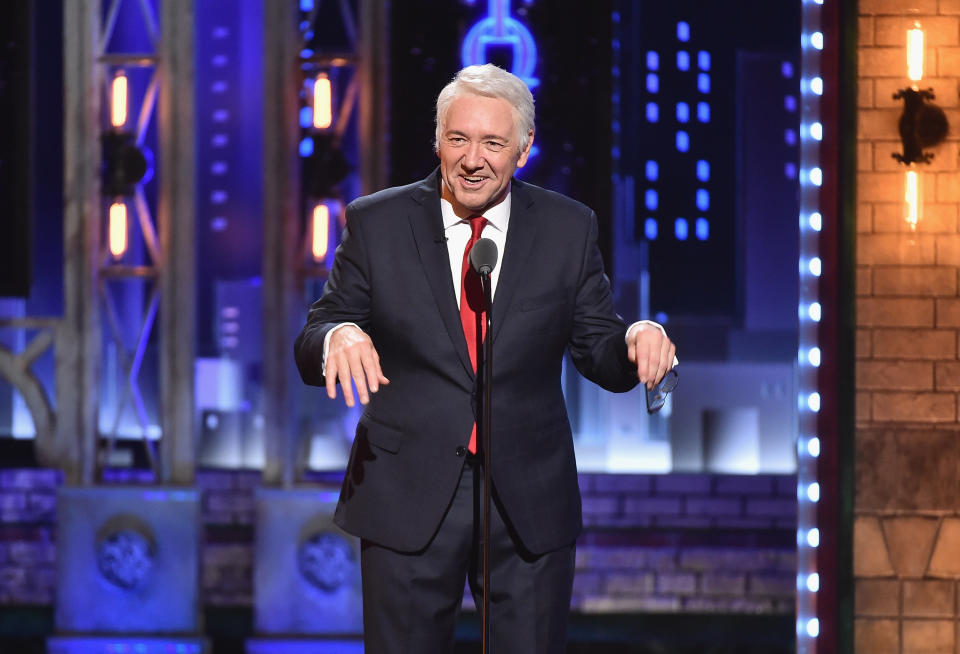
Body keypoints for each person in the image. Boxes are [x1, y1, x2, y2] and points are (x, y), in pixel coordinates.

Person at [294, 63, 677, 654]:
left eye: (493, 143)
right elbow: (315, 332)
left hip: (526, 497)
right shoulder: (378, 222)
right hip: (406, 492)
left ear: (523, 150)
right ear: (438, 141)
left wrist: (638, 339)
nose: (473, 158)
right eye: (459, 138)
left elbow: (599, 349)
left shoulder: (566, 229)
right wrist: (339, 332)